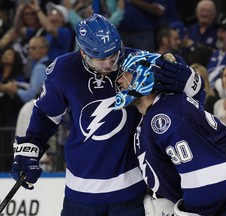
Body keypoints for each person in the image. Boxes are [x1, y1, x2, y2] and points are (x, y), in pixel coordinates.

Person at [10, 14, 203, 216]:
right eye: (102, 60)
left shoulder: (137, 63)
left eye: (114, 56)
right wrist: (30, 147)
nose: (110, 65)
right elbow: (46, 115)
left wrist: (190, 82)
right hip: (80, 193)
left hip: (132, 192)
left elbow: (186, 100)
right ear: (83, 53)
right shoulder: (63, 71)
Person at [114, 51, 226, 215]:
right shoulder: (155, 115)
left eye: (127, 74)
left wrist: (190, 210)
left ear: (145, 76)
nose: (120, 80)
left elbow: (212, 172)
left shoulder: (166, 118)